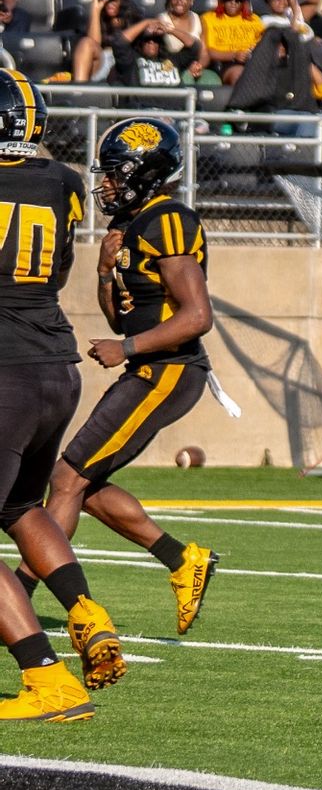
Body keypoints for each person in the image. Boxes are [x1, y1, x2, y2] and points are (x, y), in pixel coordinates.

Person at [33, 117, 218, 645]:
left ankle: (25, 594)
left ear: (145, 171)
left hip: (170, 369)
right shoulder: (135, 224)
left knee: (67, 478)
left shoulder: (169, 219)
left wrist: (128, 349)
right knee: (80, 485)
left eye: (115, 173)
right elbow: (121, 317)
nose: (106, 184)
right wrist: (102, 271)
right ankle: (184, 560)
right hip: (150, 368)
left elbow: (197, 315)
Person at [0, 76, 125, 721]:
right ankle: (86, 612)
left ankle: (46, 678)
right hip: (57, 362)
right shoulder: (65, 182)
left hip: (6, 371)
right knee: (22, 503)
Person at [72, 0, 143, 84]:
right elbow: (93, 43)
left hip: (125, 63)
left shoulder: (133, 19)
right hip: (102, 63)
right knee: (86, 42)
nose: (110, 2)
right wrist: (96, 9)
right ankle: (79, 94)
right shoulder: (97, 18)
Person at [202, 0, 265, 86]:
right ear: (222, 0)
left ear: (243, 2)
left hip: (252, 61)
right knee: (240, 75)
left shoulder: (254, 19)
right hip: (225, 63)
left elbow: (263, 44)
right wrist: (234, 55)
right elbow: (210, 52)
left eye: (238, 0)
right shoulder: (209, 18)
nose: (233, 3)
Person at [110, 18, 201, 89]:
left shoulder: (172, 60)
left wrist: (169, 29)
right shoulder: (131, 61)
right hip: (143, 109)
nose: (151, 42)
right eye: (147, 39)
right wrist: (147, 22)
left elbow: (194, 46)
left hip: (174, 110)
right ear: (140, 43)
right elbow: (119, 42)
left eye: (156, 40)